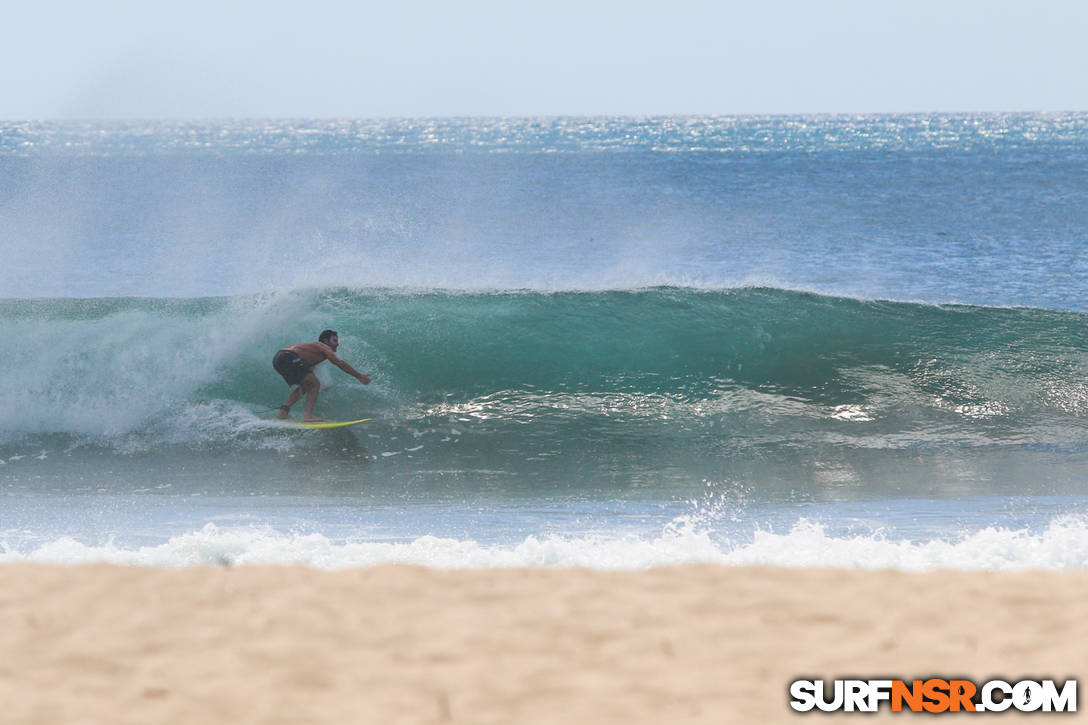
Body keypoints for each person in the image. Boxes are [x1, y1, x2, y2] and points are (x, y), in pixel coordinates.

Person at [273, 330, 371, 421]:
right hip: (288, 356)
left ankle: (283, 412)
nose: (337, 344)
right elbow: (339, 362)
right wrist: (359, 376)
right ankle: (307, 416)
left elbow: (308, 372)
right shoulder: (321, 346)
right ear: (325, 340)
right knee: (314, 385)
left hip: (279, 359)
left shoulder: (312, 352)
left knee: (305, 386)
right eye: (334, 340)